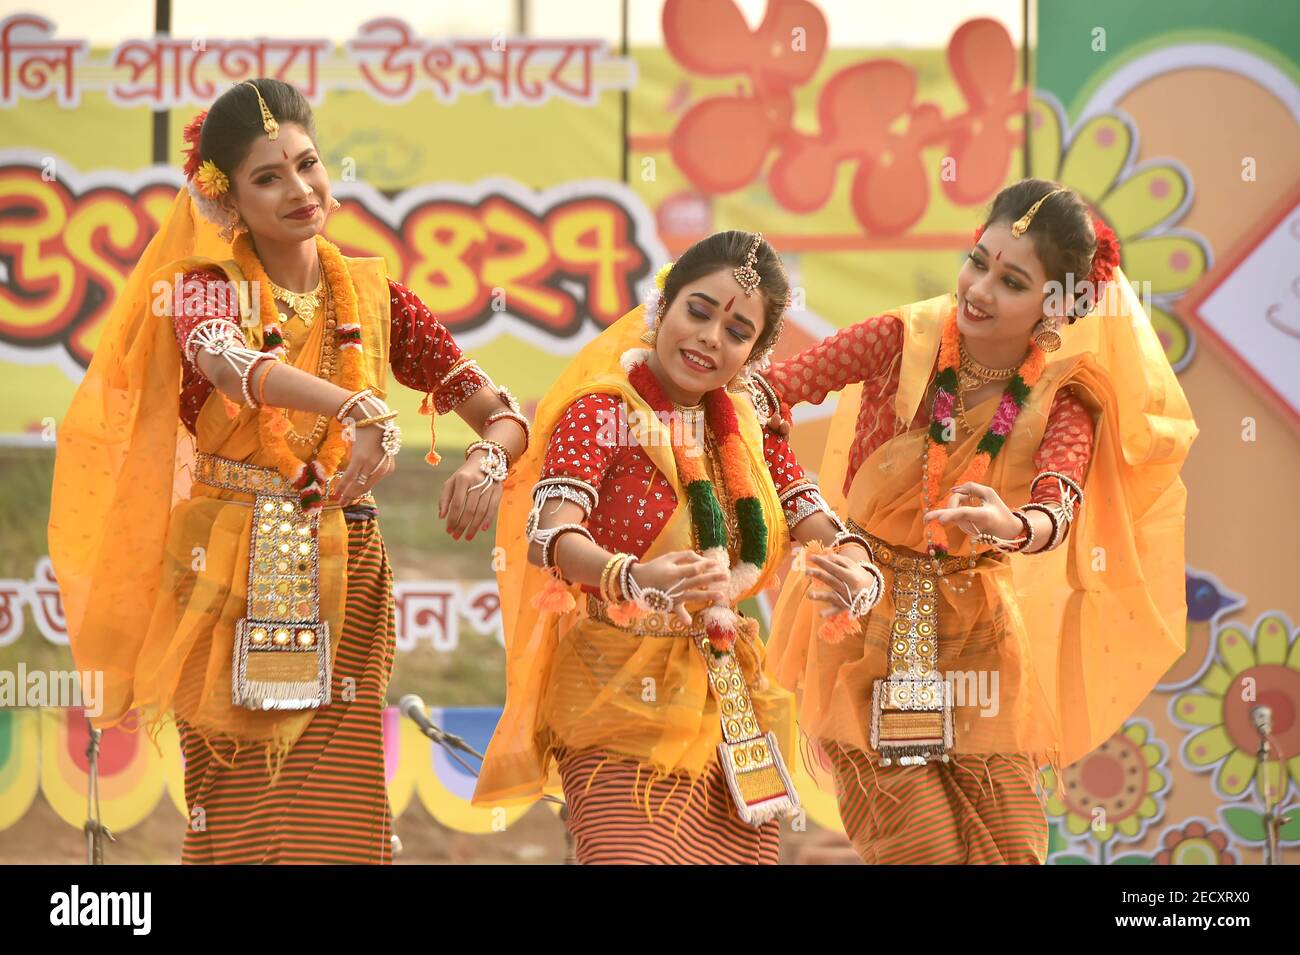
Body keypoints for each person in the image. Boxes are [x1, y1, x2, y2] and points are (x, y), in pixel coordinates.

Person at [48, 78, 529, 863]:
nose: (301, 189)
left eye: (307, 164)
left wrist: (483, 460)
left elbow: (502, 414)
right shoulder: (205, 287)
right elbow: (229, 363)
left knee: (338, 814)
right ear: (227, 196)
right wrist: (355, 406)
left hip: (346, 575)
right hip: (225, 573)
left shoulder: (377, 299)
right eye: (269, 177)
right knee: (236, 809)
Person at [761, 179, 1197, 863]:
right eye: (979, 259)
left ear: (1056, 307)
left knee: (1012, 849)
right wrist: (802, 509)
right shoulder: (900, 339)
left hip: (978, 636)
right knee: (923, 849)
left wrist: (1013, 525)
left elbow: (1058, 502)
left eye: (1012, 279)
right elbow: (768, 392)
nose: (980, 288)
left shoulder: (1065, 392)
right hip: (865, 617)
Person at [473, 231, 883, 863]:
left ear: (754, 351)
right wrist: (634, 578)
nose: (711, 338)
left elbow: (810, 511)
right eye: (699, 310)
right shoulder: (604, 410)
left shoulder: (746, 427)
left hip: (728, 698)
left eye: (738, 330)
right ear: (663, 306)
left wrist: (858, 569)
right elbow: (550, 535)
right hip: (614, 687)